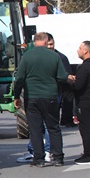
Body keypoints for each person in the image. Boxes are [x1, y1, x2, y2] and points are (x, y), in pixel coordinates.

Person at [12, 31, 71, 167]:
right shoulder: (54, 56)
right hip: (50, 96)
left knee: (35, 129)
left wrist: (16, 96)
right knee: (53, 128)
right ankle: (58, 158)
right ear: (45, 42)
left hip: (31, 97)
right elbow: (62, 77)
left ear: (35, 41)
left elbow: (19, 78)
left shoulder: (27, 56)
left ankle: (38, 159)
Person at [68, 40, 90, 165]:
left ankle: (89, 155)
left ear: (86, 51)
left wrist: (70, 80)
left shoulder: (84, 67)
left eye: (79, 48)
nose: (78, 50)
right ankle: (89, 152)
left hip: (86, 102)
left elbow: (78, 86)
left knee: (86, 129)